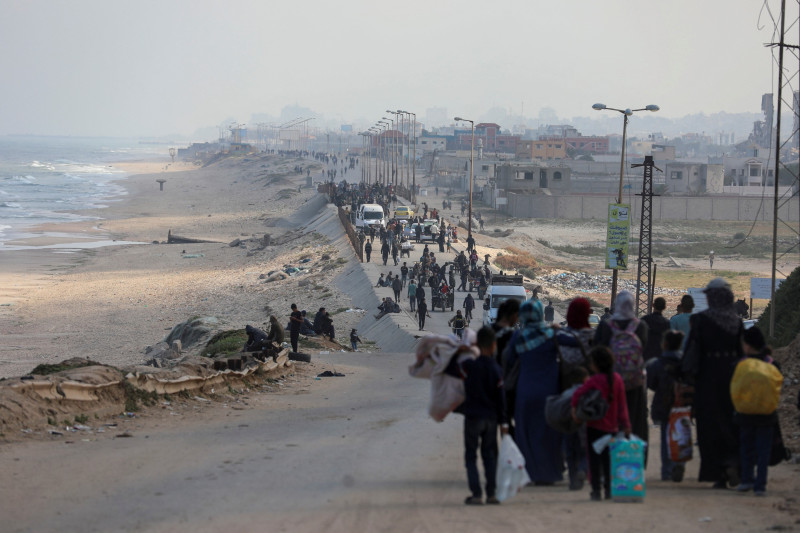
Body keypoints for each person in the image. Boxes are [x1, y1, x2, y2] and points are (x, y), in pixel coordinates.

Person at [682, 277, 743, 489]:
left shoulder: (701, 320)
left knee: (710, 425)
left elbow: (692, 352)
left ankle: (718, 473)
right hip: (733, 380)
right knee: (732, 422)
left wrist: (685, 375)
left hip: (707, 380)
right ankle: (733, 463)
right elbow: (743, 354)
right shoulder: (736, 322)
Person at [502, 300, 567, 484]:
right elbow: (574, 341)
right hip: (550, 393)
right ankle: (551, 474)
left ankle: (530, 473)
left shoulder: (518, 336)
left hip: (525, 392)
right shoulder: (552, 335)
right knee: (550, 433)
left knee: (526, 434)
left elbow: (510, 359)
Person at [571, 346, 631, 501]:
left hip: (594, 427)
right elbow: (622, 405)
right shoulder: (617, 379)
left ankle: (596, 491)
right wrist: (626, 425)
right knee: (609, 461)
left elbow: (577, 395)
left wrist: (575, 411)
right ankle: (609, 490)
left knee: (594, 461)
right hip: (612, 428)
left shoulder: (594, 380)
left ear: (595, 364)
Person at [594, 291, 649, 459]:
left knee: (610, 419)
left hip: (610, 382)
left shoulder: (606, 326)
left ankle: (609, 459)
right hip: (635, 382)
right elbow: (643, 352)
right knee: (635, 419)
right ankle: (635, 458)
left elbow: (597, 352)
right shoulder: (640, 326)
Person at [460, 327, 508, 505]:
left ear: (477, 345)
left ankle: (476, 494)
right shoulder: (497, 369)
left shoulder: (469, 366)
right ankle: (492, 494)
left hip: (472, 417)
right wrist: (504, 422)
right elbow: (501, 398)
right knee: (490, 456)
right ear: (494, 345)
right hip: (491, 419)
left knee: (471, 456)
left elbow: (453, 371)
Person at [735, 326, 779, 496]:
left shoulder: (741, 364)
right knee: (763, 451)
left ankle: (746, 479)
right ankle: (760, 485)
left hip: (745, 414)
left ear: (747, 345)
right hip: (767, 414)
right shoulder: (772, 363)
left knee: (746, 448)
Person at [559, 298, 595, 490]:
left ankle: (573, 476)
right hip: (587, 390)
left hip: (565, 390)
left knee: (568, 433)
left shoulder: (562, 335)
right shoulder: (592, 336)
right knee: (586, 433)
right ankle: (583, 467)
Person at [646, 330, 685, 482]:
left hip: (663, 404)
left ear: (665, 344)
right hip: (682, 405)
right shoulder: (684, 361)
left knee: (665, 437)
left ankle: (667, 470)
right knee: (681, 435)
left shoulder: (656, 364)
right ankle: (679, 462)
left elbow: (650, 383)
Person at [642, 297, 670, 363]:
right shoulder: (667, 323)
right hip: (660, 356)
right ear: (664, 307)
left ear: (653, 305)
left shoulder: (645, 320)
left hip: (645, 354)